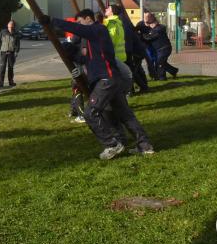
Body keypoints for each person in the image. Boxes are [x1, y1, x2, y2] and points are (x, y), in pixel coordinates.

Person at [42, 10, 154, 159]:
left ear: (89, 19)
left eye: (80, 21)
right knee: (125, 115)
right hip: (110, 79)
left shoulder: (98, 29)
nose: (79, 25)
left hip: (106, 80)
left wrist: (52, 20)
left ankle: (112, 144)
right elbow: (87, 60)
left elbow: (77, 29)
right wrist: (70, 52)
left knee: (90, 113)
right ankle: (145, 146)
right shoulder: (93, 40)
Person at [141, 13, 178, 80]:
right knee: (162, 62)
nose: (150, 25)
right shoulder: (154, 29)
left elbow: (149, 37)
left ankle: (162, 77)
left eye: (152, 23)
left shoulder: (159, 28)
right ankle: (173, 71)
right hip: (160, 49)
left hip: (164, 48)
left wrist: (142, 36)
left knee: (159, 62)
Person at [0, 19, 21, 87]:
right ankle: (1, 83)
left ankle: (11, 82)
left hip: (11, 52)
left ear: (13, 26)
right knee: (2, 67)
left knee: (10, 68)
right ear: (7, 25)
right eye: (9, 25)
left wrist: (16, 51)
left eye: (11, 26)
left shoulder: (16, 34)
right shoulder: (3, 32)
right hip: (3, 52)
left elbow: (18, 43)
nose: (10, 27)